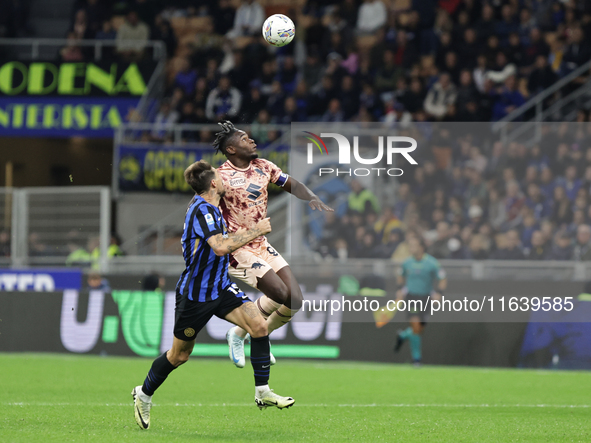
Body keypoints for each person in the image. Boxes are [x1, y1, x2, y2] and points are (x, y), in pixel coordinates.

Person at [131, 161, 294, 430]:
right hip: (196, 294)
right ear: (214, 184)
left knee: (259, 326)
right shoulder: (202, 210)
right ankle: (143, 394)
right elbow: (219, 247)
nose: (224, 177)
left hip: (221, 287)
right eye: (220, 175)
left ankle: (262, 391)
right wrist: (256, 230)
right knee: (179, 356)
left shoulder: (212, 205)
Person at [212, 121, 333, 368]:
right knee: (278, 293)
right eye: (245, 139)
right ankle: (258, 336)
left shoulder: (264, 166)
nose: (252, 141)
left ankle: (238, 334)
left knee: (295, 300)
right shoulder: (220, 177)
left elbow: (293, 185)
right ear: (232, 149)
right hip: (238, 250)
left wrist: (311, 196)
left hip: (261, 244)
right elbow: (203, 208)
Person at [394, 237, 447, 366]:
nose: (411, 248)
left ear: (421, 248)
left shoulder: (432, 263)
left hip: (426, 298)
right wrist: (400, 290)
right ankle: (416, 359)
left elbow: (443, 278)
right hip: (412, 297)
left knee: (419, 329)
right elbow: (400, 276)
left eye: (414, 246)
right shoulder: (407, 263)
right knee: (416, 326)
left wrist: (439, 293)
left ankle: (403, 335)